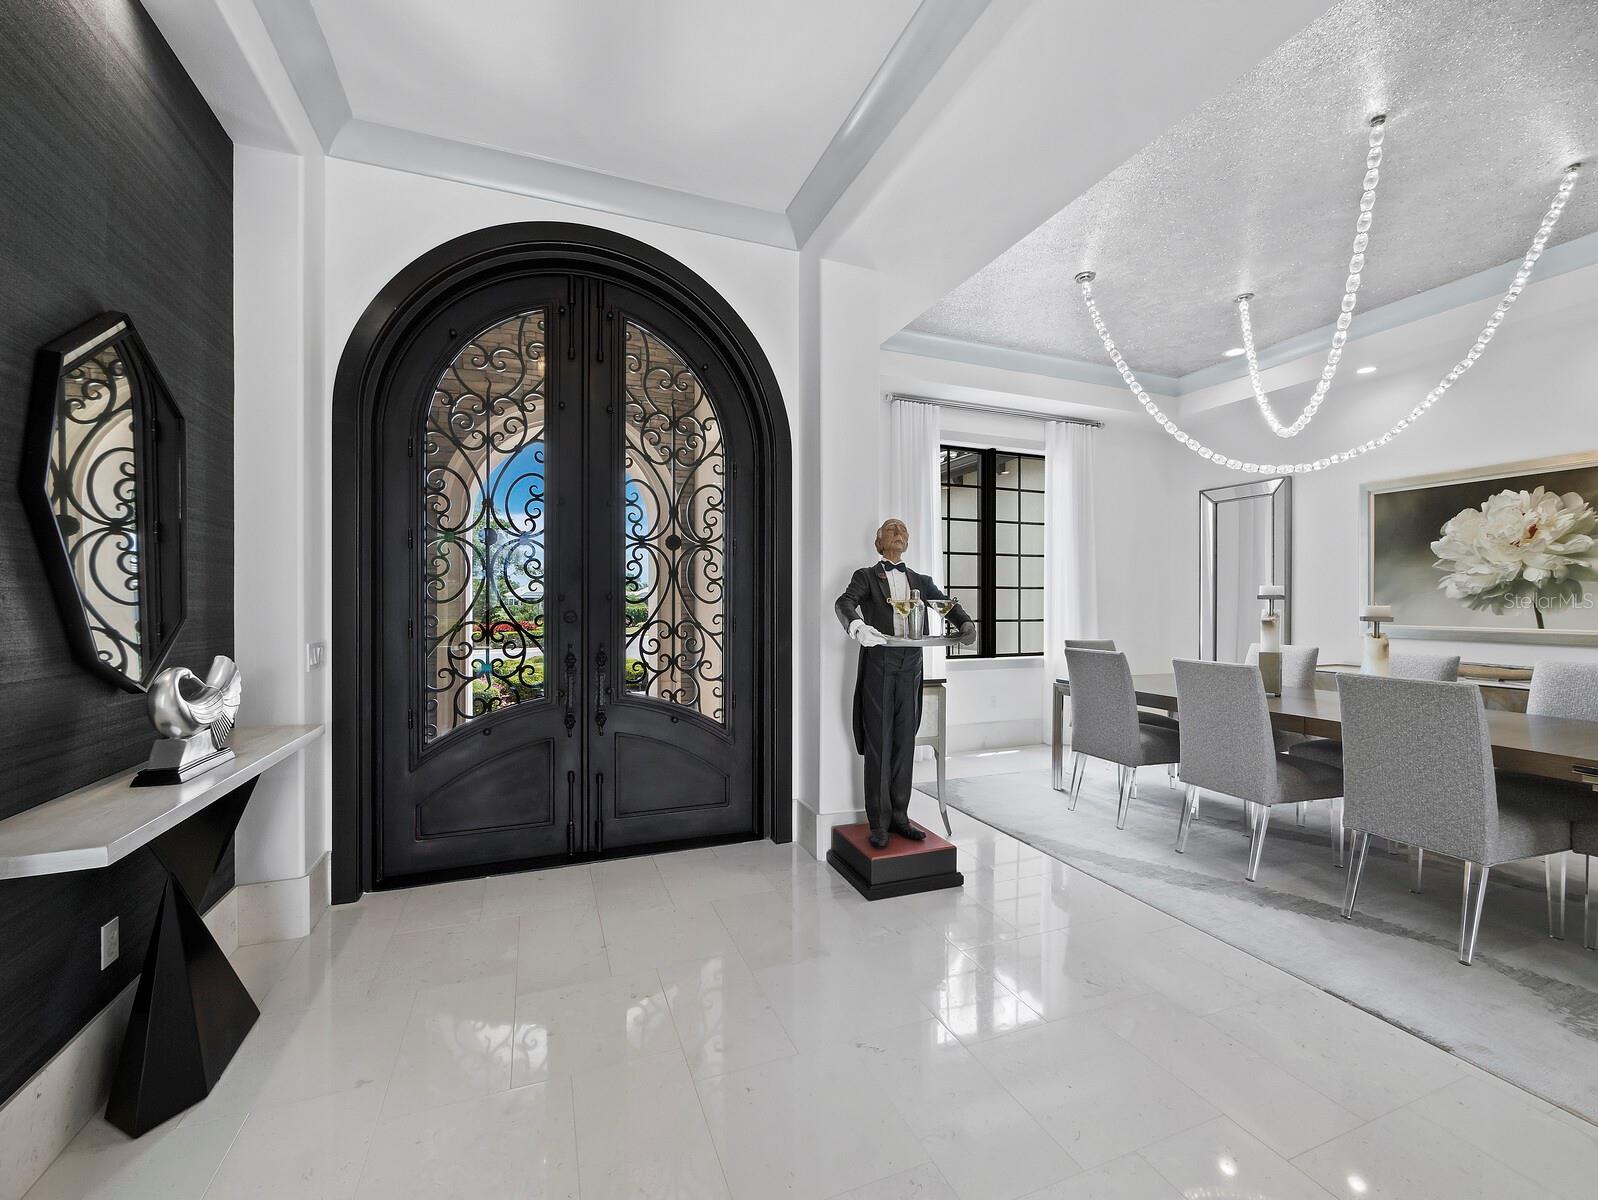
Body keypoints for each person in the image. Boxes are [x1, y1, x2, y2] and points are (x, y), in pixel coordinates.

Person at [834, 518, 976, 848]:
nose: (898, 532)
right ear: (878, 542)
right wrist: (858, 627)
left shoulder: (921, 581)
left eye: (902, 530)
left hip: (911, 667)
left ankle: (900, 816)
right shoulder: (866, 576)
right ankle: (878, 823)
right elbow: (844, 603)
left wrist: (966, 623)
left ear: (908, 541)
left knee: (904, 743)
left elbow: (946, 605)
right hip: (879, 667)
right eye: (891, 529)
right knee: (879, 745)